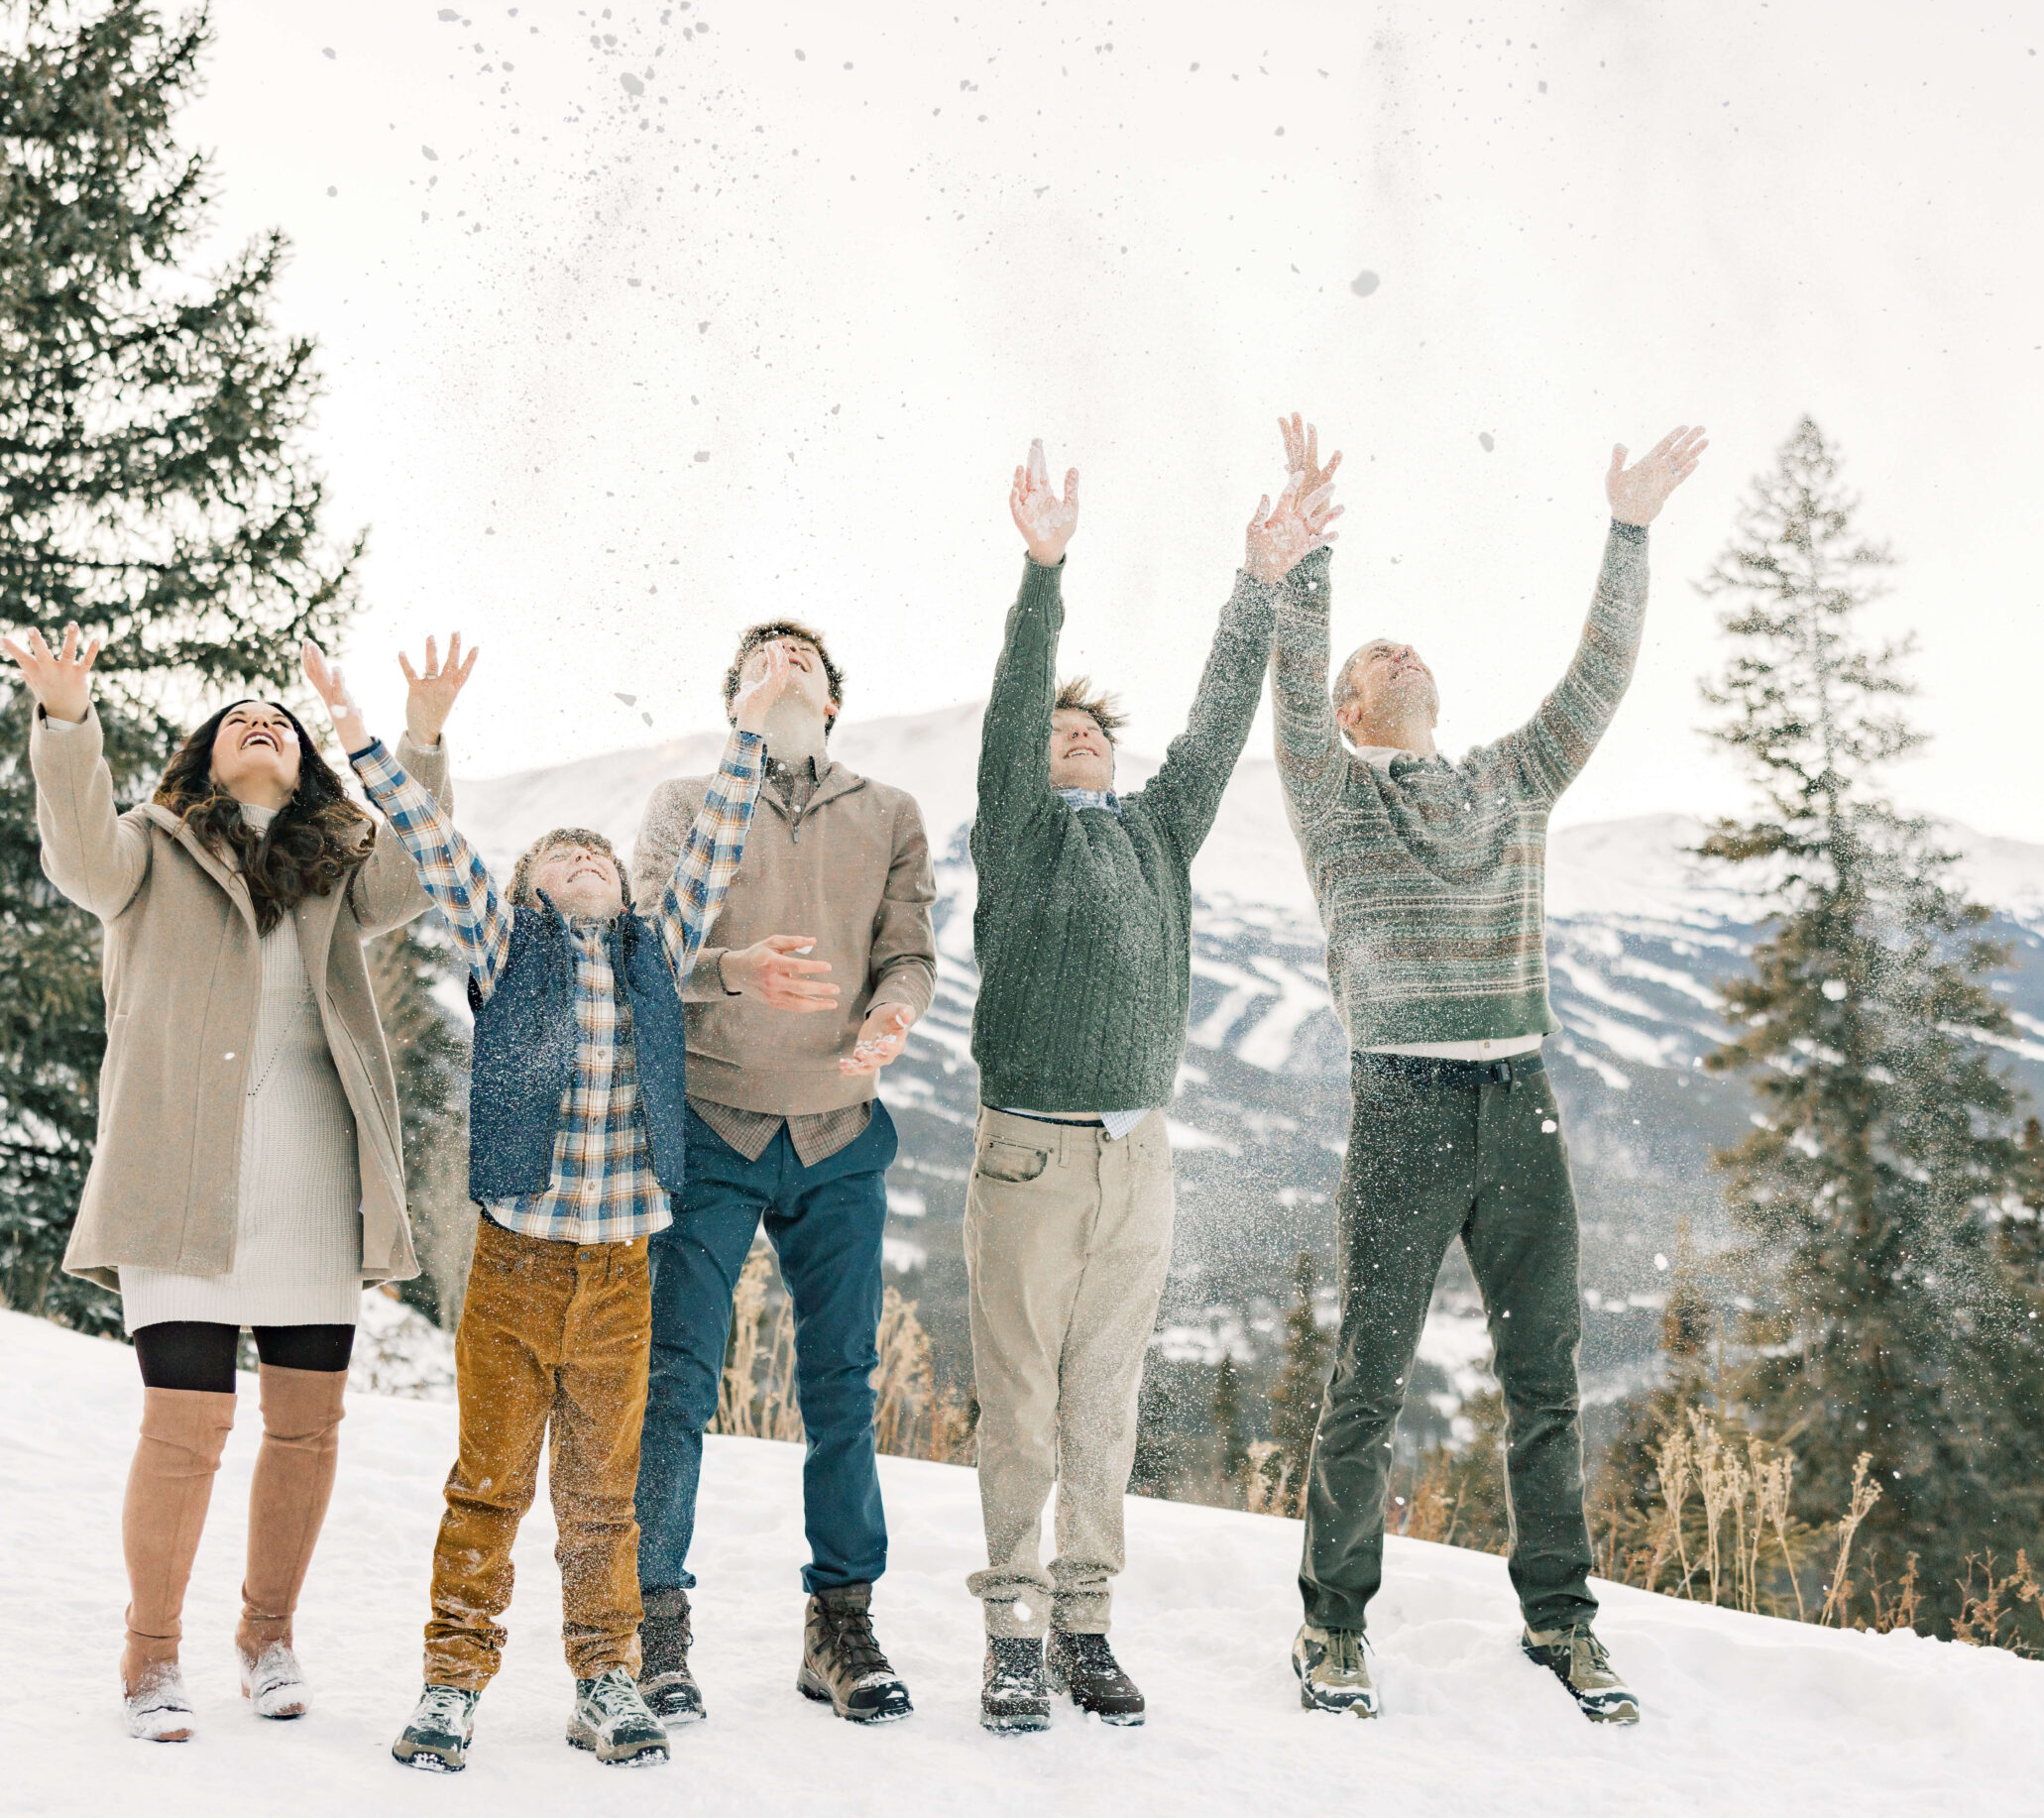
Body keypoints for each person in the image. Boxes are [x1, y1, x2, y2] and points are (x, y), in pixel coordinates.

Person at [1269, 424, 1709, 1725]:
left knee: (1545, 1382)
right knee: (1369, 1378)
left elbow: (1600, 678)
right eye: (1368, 660)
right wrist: (1308, 563)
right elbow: (1290, 687)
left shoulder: (1514, 780)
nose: (1390, 652)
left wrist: (1628, 530)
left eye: (1405, 648)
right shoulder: (1333, 793)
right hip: (1400, 1104)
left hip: (1520, 1105)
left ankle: (1562, 1622)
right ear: (1352, 712)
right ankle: (1333, 1626)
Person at [303, 638, 773, 1773]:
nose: (582, 861)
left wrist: (749, 729)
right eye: (558, 856)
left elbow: (710, 848)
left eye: (596, 856)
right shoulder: (507, 947)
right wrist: (371, 728)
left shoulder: (655, 952)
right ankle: (451, 1682)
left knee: (601, 1496)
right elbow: (433, 842)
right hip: (514, 1268)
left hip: (620, 1275)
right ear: (526, 891)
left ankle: (605, 1680)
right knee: (488, 1484)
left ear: (624, 890)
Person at [2, 623, 467, 1743]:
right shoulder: (145, 850)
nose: (261, 725)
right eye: (235, 722)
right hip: (179, 1174)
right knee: (184, 1425)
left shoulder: (336, 867)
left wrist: (417, 738)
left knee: (305, 1429)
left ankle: (268, 1636)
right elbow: (76, 855)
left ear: (307, 767)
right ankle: (150, 1659)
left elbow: (418, 871)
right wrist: (67, 721)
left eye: (282, 724)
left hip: (314, 1171)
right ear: (201, 759)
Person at [963, 424, 1342, 1733]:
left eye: (1086, 731)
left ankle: (1084, 1625)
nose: (1070, 739)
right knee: (1019, 1402)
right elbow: (1014, 717)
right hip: (1027, 1151)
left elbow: (1219, 728)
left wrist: (1260, 585)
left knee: (1104, 1404)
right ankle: (1010, 1628)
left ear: (1113, 759)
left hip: (1140, 1156)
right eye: (1058, 729)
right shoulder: (1015, 835)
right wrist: (1043, 575)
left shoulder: (1157, 833)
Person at [628, 620, 938, 1729]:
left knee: (841, 1389)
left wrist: (894, 1013)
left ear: (833, 701)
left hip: (837, 1134)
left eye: (801, 657)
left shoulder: (888, 813)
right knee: (675, 1383)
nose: (783, 664)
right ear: (734, 704)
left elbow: (908, 950)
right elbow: (650, 945)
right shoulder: (685, 804)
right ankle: (652, 1621)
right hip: (711, 1127)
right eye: (760, 659)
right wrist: (733, 968)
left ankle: (840, 1624)